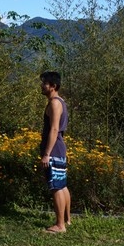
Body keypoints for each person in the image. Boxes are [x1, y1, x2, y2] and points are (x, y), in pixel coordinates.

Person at [39, 71, 72, 233]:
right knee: (62, 185)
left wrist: (46, 153)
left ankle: (60, 225)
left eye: (44, 83)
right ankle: (67, 219)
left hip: (54, 148)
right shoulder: (60, 102)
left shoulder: (55, 103)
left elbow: (53, 129)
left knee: (56, 187)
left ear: (53, 86)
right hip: (59, 147)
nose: (42, 85)